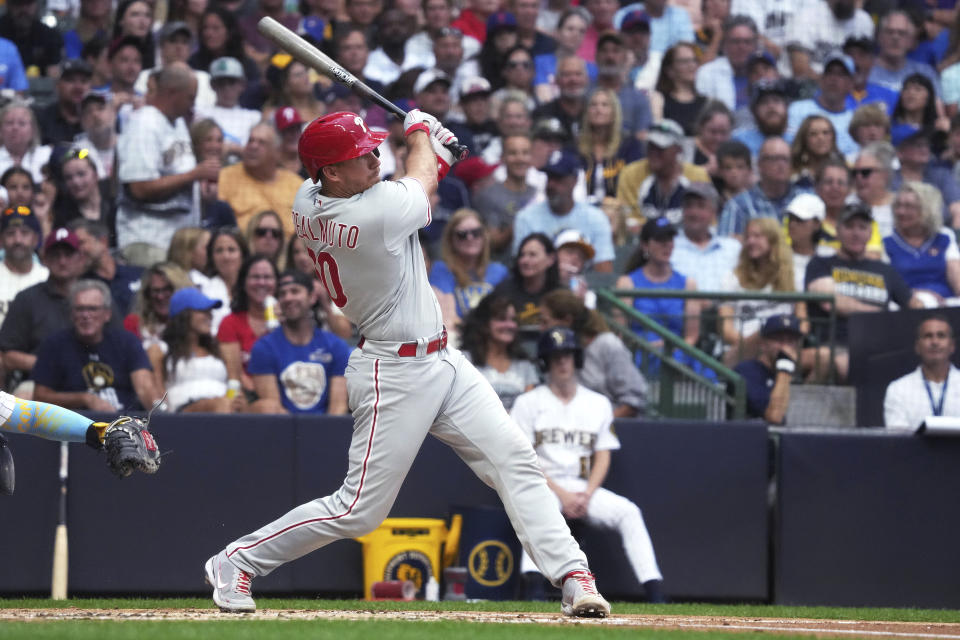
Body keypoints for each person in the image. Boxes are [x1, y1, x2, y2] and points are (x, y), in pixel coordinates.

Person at [203, 109, 611, 617]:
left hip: (442, 358)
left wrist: (433, 152)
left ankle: (573, 575)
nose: (376, 158)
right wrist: (422, 133)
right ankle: (236, 559)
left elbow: (416, 181)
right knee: (358, 511)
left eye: (376, 149)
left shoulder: (308, 196)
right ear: (331, 172)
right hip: (391, 370)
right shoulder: (368, 214)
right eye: (362, 155)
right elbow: (416, 188)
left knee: (514, 459)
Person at [512, 327, 664, 603]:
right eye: (555, 356)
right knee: (536, 508)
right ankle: (533, 589)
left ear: (577, 359)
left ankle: (654, 591)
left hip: (584, 488)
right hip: (545, 485)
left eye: (568, 355)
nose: (562, 362)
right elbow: (525, 460)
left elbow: (603, 454)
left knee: (629, 512)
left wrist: (587, 493)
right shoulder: (527, 402)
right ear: (544, 361)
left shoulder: (598, 403)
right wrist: (563, 495)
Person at [116, 63, 219, 265]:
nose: (193, 104)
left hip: (175, 241)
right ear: (173, 93)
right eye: (190, 97)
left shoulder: (178, 122)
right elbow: (139, 188)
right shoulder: (144, 124)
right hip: (146, 240)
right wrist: (194, 175)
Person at [805, 202, 922, 380]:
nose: (856, 233)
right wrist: (880, 314)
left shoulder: (884, 270)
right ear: (837, 230)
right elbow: (831, 302)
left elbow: (913, 305)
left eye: (862, 227)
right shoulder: (821, 264)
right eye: (849, 226)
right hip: (835, 344)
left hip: (880, 345)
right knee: (847, 364)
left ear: (870, 233)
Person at [33, 279, 159, 411]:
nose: (86, 315)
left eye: (93, 309)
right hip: (76, 424)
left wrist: (160, 412)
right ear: (71, 314)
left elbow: (144, 388)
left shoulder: (127, 342)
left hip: (125, 423)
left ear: (107, 314)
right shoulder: (54, 345)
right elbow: (40, 397)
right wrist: (84, 398)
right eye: (80, 309)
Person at [248, 270, 350, 415]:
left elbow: (338, 407)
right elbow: (273, 410)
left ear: (312, 297)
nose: (288, 298)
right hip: (283, 430)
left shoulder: (335, 346)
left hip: (325, 430)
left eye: (295, 291)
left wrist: (325, 435)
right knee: (266, 406)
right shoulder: (264, 347)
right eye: (282, 294)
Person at [0, 227, 87, 394]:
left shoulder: (95, 296)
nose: (62, 261)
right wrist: (53, 366)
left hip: (94, 378)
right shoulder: (27, 298)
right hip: (39, 381)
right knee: (24, 396)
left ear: (80, 259)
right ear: (45, 259)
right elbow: (7, 356)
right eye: (56, 255)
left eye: (68, 255)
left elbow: (119, 343)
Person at [539, 289, 648, 417]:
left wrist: (599, 426)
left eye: (545, 322)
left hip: (611, 428)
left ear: (567, 321)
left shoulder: (608, 344)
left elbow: (633, 401)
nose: (541, 328)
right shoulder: (549, 351)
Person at [616, 217, 699, 369]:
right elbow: (621, 332)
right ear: (645, 245)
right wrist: (645, 346)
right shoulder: (627, 283)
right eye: (660, 240)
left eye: (670, 239)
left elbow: (691, 336)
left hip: (679, 354)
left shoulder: (688, 284)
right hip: (640, 354)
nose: (667, 245)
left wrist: (675, 350)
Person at [512, 149, 615, 271]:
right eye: (549, 178)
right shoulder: (526, 217)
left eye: (558, 178)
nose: (551, 184)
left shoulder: (596, 218)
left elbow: (604, 270)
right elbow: (521, 267)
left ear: (574, 181)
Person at [717, 217, 801, 365]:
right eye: (748, 237)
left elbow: (803, 321)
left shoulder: (793, 277)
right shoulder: (732, 278)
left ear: (773, 240)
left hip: (782, 348)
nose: (750, 242)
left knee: (823, 357)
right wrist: (760, 344)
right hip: (739, 350)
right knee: (766, 332)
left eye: (757, 236)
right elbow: (726, 330)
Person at [146, 287, 238, 413]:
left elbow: (234, 385)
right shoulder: (161, 349)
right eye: (203, 311)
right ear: (184, 314)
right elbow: (157, 390)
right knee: (221, 404)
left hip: (223, 406)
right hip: (183, 412)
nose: (209, 315)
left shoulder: (218, 349)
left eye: (210, 311)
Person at [430, 208, 508, 335]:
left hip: (493, 338)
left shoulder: (500, 271)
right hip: (459, 338)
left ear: (485, 236)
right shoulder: (441, 269)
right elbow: (447, 316)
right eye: (462, 234)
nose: (470, 238)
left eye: (476, 232)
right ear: (451, 240)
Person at [616, 119, 710, 226]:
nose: (654, 152)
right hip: (643, 239)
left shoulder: (697, 176)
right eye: (651, 146)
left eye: (661, 148)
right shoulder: (630, 174)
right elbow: (629, 220)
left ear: (678, 149)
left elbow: (707, 220)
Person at [217, 123, 304, 237]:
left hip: (289, 251)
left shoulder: (296, 184)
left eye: (261, 142)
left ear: (276, 152)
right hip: (244, 250)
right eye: (250, 141)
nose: (253, 146)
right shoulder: (226, 177)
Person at [883, 182, 960, 304]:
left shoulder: (944, 236)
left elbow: (957, 278)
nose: (901, 212)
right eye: (898, 206)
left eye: (909, 206)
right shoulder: (886, 240)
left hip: (945, 303)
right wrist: (917, 295)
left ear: (927, 209)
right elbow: (886, 284)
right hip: (905, 305)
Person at [459, 293, 539, 410]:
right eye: (502, 319)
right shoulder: (465, 361)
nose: (509, 325)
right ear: (485, 324)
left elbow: (530, 410)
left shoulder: (525, 364)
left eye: (513, 319)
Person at [718, 137, 808, 238]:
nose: (781, 164)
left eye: (785, 159)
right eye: (774, 159)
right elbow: (726, 248)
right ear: (759, 164)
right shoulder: (737, 206)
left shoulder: (806, 200)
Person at [217, 254, 278, 395]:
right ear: (244, 283)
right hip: (247, 394)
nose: (262, 282)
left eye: (267, 277)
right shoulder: (230, 323)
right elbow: (235, 373)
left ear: (277, 283)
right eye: (255, 277)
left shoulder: (288, 321)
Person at [884, 315, 960, 430]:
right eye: (928, 336)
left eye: (941, 336)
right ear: (917, 346)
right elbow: (898, 441)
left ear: (952, 345)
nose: (935, 342)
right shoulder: (898, 389)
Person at [472, 134, 537, 263]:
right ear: (502, 158)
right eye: (513, 153)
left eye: (525, 153)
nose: (520, 159)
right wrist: (524, 217)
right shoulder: (488, 195)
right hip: (504, 267)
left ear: (531, 158)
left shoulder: (537, 192)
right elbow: (494, 243)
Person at [732, 313, 803, 424]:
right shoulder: (747, 371)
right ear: (763, 344)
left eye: (791, 341)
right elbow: (775, 417)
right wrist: (785, 365)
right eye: (779, 340)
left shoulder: (795, 373)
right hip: (749, 437)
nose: (785, 347)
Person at [670, 182, 740, 293]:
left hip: (726, 308)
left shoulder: (733, 248)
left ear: (713, 212)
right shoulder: (669, 246)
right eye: (689, 206)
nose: (694, 212)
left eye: (701, 206)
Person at [785, 52, 859, 157]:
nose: (834, 79)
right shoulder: (797, 109)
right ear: (821, 78)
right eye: (829, 72)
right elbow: (790, 147)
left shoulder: (854, 121)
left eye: (841, 74)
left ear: (851, 83)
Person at [578, 88, 644, 203]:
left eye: (605, 105)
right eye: (593, 105)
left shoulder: (629, 145)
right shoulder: (576, 146)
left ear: (614, 112)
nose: (598, 109)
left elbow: (636, 183)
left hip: (621, 209)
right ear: (587, 112)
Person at [70, 219, 142, 315]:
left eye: (81, 243)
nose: (78, 250)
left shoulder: (139, 274)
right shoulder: (81, 285)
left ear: (103, 242)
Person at [195, 57, 262, 155]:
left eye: (231, 82)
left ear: (242, 85)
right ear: (212, 85)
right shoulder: (200, 113)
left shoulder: (254, 117)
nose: (226, 87)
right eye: (221, 82)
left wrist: (233, 149)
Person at [123, 262, 193, 351]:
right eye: (155, 291)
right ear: (147, 294)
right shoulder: (134, 324)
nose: (160, 297)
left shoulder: (193, 325)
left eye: (167, 289)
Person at [0, 205, 47, 329]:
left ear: (36, 239)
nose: (18, 240)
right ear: (1, 240)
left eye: (25, 233)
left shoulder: (47, 277)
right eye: (10, 234)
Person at [53, 146, 115, 235]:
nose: (76, 182)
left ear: (95, 175)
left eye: (81, 174)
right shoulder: (64, 217)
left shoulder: (114, 203)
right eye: (68, 177)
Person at [198, 227, 248, 333]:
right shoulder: (203, 290)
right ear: (211, 257)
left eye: (231, 250)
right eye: (219, 251)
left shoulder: (255, 286)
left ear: (243, 255)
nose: (225, 257)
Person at [34, 59, 93, 147]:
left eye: (84, 81)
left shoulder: (97, 118)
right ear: (57, 85)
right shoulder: (42, 119)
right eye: (71, 80)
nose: (78, 87)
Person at [653, 41, 707, 136]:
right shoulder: (659, 101)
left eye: (694, 60)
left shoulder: (706, 103)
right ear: (670, 70)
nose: (692, 65)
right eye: (685, 61)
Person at [0, 0, 62, 78]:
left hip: (39, 86)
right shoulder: (1, 30)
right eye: (18, 4)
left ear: (36, 5)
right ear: (9, 6)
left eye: (28, 4)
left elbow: (54, 72)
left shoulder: (49, 35)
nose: (23, 9)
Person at [851, 141, 897, 239]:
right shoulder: (845, 204)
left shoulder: (902, 206)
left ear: (885, 174)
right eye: (854, 173)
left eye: (865, 172)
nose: (859, 177)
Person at [0, 101, 52, 185]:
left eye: (22, 123)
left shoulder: (47, 154)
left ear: (33, 130)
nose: (15, 128)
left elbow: (78, 153)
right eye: (9, 123)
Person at [789, 117, 841, 190]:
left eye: (825, 132)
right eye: (813, 134)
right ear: (804, 139)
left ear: (833, 137)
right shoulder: (792, 173)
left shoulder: (846, 168)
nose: (820, 138)